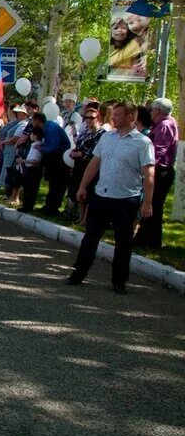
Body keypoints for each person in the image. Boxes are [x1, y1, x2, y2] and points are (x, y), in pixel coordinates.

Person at [66, 102, 155, 294]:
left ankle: (119, 280)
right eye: (113, 115)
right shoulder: (107, 137)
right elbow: (94, 163)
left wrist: (147, 202)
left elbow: (149, 174)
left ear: (131, 117)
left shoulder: (142, 142)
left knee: (123, 243)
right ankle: (78, 273)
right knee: (90, 238)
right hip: (101, 196)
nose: (113, 118)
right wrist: (83, 186)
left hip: (126, 200)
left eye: (118, 115)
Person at [135, 97, 177, 247]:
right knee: (153, 205)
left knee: (153, 205)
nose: (151, 112)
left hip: (160, 171)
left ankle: (149, 240)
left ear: (158, 111)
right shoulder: (163, 124)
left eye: (152, 109)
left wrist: (146, 167)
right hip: (160, 170)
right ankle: (148, 238)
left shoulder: (165, 125)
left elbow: (158, 151)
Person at [67, 105, 105, 225]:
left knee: (89, 192)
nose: (88, 120)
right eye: (86, 118)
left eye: (91, 118)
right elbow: (78, 143)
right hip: (79, 165)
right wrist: (74, 153)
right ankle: (80, 216)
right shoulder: (85, 131)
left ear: (98, 119)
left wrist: (80, 154)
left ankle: (86, 219)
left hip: (91, 166)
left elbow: (94, 151)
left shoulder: (102, 133)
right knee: (79, 189)